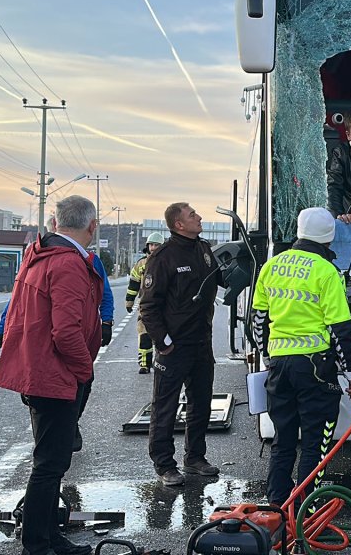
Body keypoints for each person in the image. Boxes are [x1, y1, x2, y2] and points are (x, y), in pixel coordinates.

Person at [0, 196, 103, 555]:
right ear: (91, 226)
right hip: (55, 377)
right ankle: (37, 544)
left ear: (56, 222)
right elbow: (66, 332)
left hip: (39, 371)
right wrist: (84, 372)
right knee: (49, 465)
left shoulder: (40, 255)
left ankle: (48, 536)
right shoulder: (68, 264)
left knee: (52, 461)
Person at [250, 207, 351, 510]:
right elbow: (340, 329)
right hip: (315, 368)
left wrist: (268, 355)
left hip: (279, 367)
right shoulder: (327, 272)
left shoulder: (271, 266)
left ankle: (275, 510)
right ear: (329, 237)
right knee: (316, 443)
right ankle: (305, 513)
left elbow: (257, 321)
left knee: (283, 441)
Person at [0, 218, 114, 454]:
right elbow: (19, 300)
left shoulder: (88, 262)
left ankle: (70, 426)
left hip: (70, 353)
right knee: (48, 451)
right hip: (45, 355)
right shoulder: (38, 258)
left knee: (78, 392)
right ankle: (56, 441)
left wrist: (106, 321)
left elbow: (104, 294)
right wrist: (2, 328)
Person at [137, 202, 224, 486]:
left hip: (201, 343)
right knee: (165, 406)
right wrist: (163, 343)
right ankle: (164, 465)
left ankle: (195, 458)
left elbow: (218, 280)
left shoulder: (204, 249)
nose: (199, 217)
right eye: (192, 215)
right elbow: (148, 306)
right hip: (174, 347)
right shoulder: (163, 257)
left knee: (201, 404)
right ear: (178, 224)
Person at [125, 232, 166, 374]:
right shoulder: (141, 264)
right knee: (144, 335)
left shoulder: (168, 262)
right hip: (145, 306)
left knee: (163, 336)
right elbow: (133, 284)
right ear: (147, 246)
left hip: (164, 306)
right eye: (151, 245)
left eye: (157, 245)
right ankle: (144, 363)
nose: (154, 247)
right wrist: (129, 301)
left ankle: (163, 363)